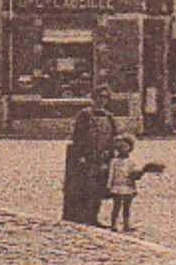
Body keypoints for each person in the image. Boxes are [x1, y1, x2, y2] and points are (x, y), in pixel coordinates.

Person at [67, 84, 119, 226]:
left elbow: (114, 137)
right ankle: (83, 216)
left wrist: (111, 154)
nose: (102, 100)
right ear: (93, 98)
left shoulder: (109, 117)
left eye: (105, 98)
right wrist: (80, 155)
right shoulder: (85, 115)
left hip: (103, 158)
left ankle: (94, 217)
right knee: (86, 188)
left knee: (99, 189)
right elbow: (78, 136)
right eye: (99, 97)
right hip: (87, 156)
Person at [106, 134, 165, 233]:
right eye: (120, 147)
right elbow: (111, 174)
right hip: (117, 186)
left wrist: (142, 171)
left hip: (128, 186)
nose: (122, 149)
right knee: (116, 206)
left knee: (127, 207)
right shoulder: (114, 161)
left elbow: (135, 173)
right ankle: (114, 223)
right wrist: (109, 185)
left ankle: (126, 223)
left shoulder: (131, 161)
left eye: (125, 147)